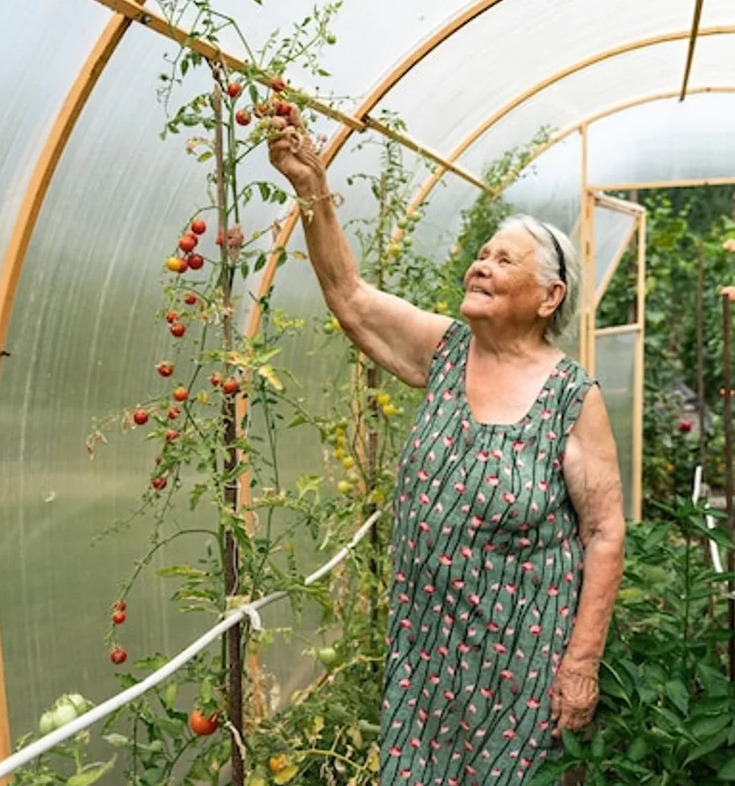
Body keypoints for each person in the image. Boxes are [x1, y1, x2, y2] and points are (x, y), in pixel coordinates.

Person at [267, 107, 625, 784]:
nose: (480, 265)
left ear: (549, 296)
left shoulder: (572, 398)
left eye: (502, 259)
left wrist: (581, 663)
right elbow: (348, 295)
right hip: (427, 656)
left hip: (525, 665)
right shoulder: (445, 351)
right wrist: (311, 189)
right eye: (482, 254)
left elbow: (605, 531)